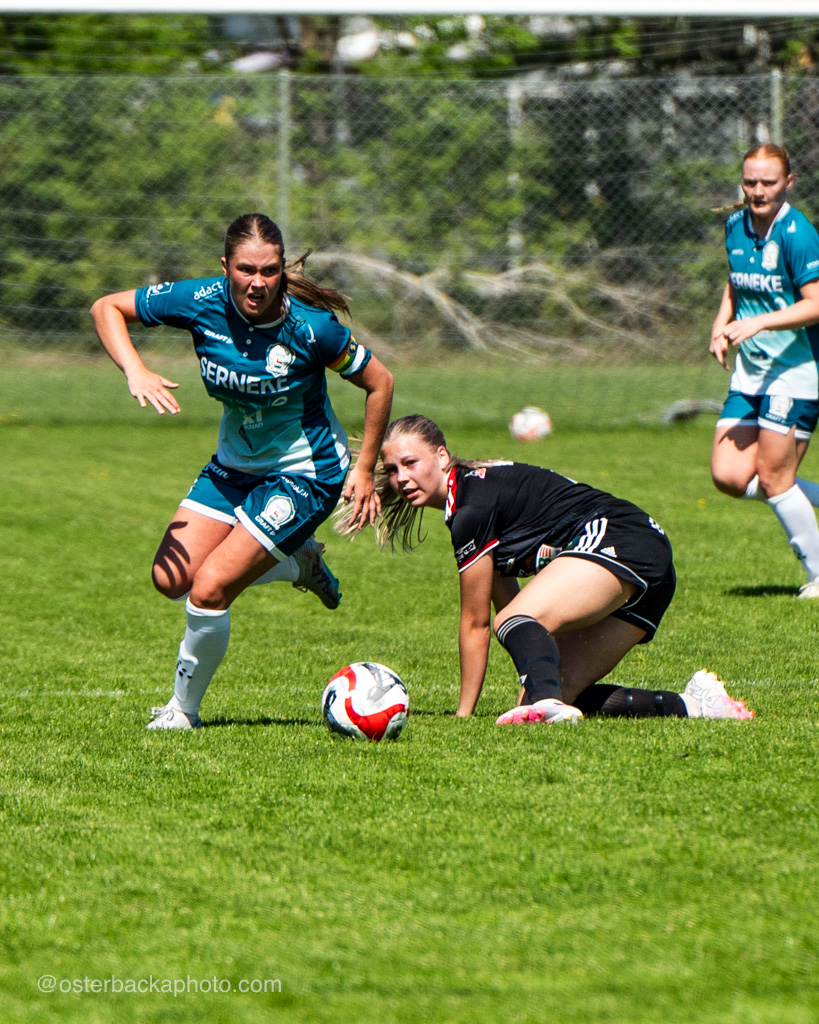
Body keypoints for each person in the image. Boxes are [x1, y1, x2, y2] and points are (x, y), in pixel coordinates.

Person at [91, 213, 394, 729]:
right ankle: (299, 563)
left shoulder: (312, 328)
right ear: (225, 267)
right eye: (246, 270)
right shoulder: (199, 300)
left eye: (269, 270)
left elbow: (380, 382)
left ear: (281, 269)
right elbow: (106, 307)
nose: (258, 282)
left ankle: (182, 711)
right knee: (170, 579)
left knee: (210, 589)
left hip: (306, 473)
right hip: (233, 467)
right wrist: (135, 370)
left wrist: (364, 469)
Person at [337, 414, 753, 724]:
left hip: (620, 538)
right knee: (554, 690)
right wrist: (534, 671)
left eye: (410, 463)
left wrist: (463, 715)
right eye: (392, 470)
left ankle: (548, 702)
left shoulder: (470, 506)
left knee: (518, 634)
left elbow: (478, 622)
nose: (401, 478)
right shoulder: (473, 498)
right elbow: (518, 612)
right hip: (650, 559)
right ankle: (698, 704)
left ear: (442, 456)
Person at [710, 143, 819, 598]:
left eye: (768, 183)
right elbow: (735, 283)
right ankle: (806, 494)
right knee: (729, 476)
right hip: (750, 372)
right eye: (750, 182)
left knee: (774, 479)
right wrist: (720, 327)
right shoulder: (735, 226)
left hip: (796, 372)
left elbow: (815, 304)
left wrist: (758, 323)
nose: (757, 191)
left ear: (788, 183)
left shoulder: (798, 233)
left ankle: (818, 575)